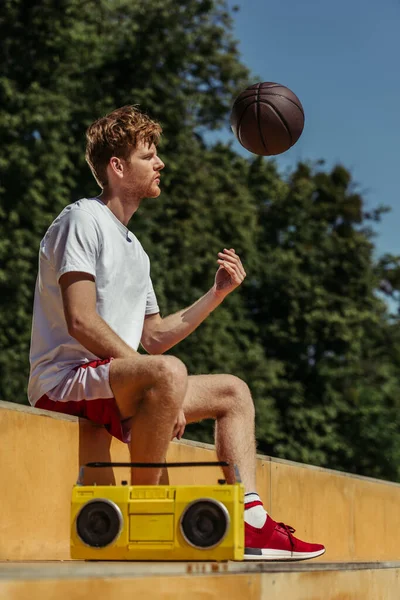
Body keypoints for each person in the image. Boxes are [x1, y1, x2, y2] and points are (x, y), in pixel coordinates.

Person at [28, 105, 325, 561]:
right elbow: (81, 321)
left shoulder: (136, 250)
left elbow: (157, 337)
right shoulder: (81, 220)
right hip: (65, 380)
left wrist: (216, 294)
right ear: (117, 166)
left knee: (233, 393)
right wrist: (155, 378)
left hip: (118, 378)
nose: (160, 163)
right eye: (149, 155)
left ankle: (252, 524)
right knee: (169, 373)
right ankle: (147, 517)